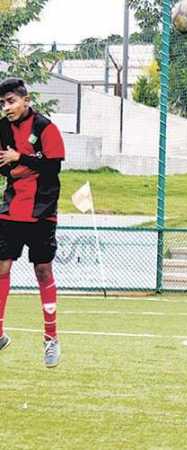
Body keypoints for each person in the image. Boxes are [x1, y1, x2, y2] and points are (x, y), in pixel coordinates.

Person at [0, 77, 66, 368]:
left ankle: (51, 337)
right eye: (3, 103)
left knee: (42, 270)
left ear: (26, 100)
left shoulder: (45, 128)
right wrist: (20, 167)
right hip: (11, 210)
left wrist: (20, 159)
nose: (7, 107)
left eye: (11, 101)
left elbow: (53, 167)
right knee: (1, 265)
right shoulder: (2, 129)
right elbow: (5, 169)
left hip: (41, 212)